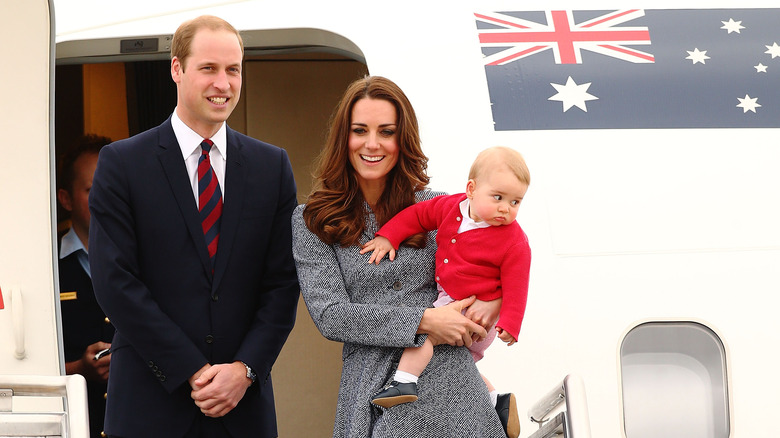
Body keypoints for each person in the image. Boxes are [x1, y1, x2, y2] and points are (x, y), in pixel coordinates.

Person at [88, 15, 299, 438]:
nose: (223, 83)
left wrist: (244, 370)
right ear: (177, 69)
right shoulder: (122, 164)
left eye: (233, 70)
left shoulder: (271, 167)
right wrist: (193, 372)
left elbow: (283, 284)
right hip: (150, 408)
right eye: (209, 68)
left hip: (243, 409)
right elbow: (115, 283)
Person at [292, 75, 508, 438]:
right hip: (371, 383)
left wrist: (494, 301)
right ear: (343, 137)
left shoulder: (439, 208)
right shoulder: (312, 219)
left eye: (386, 132)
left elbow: (493, 260)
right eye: (360, 130)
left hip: (449, 379)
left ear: (401, 138)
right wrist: (424, 320)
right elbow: (331, 316)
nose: (372, 144)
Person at [361, 146, 531, 438]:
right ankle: (494, 401)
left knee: (424, 330)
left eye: (516, 201)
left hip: (472, 310)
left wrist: (510, 323)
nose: (506, 208)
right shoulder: (450, 207)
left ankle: (403, 380)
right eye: (498, 198)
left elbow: (518, 282)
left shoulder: (513, 240)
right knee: (460, 364)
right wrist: (389, 235)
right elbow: (417, 216)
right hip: (454, 299)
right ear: (471, 189)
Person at [57, 133, 114, 438]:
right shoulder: (46, 267)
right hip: (69, 424)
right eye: (92, 190)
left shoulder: (146, 260)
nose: (104, 199)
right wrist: (80, 368)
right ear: (65, 199)